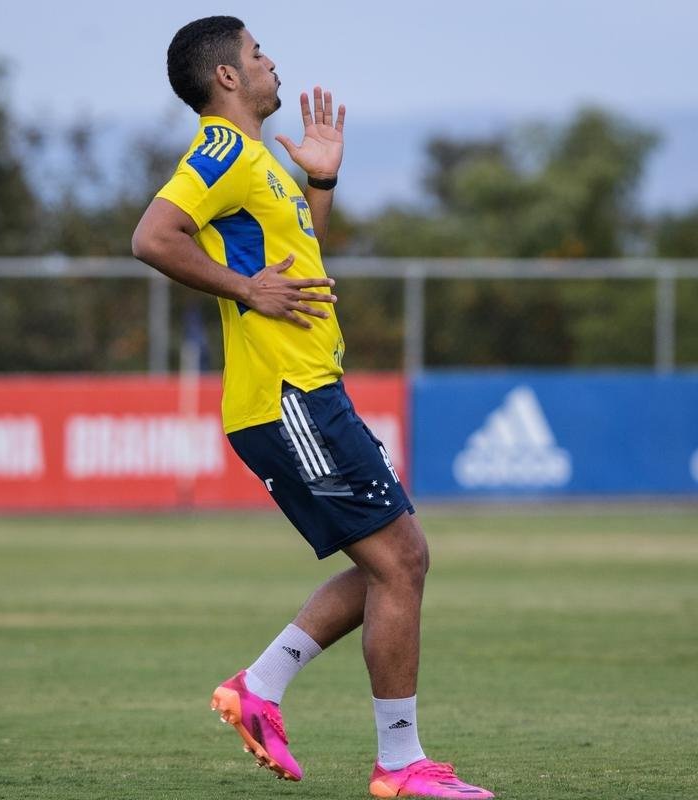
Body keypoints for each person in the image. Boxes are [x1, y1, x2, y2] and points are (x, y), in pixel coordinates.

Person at [132, 16, 494, 799]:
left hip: (308, 390)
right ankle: (400, 766)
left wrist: (320, 184)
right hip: (287, 397)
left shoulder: (261, 164)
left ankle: (259, 688)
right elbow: (153, 236)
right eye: (257, 53)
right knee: (401, 561)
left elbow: (299, 272)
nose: (270, 62)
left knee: (394, 563)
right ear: (226, 77)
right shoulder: (222, 151)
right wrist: (241, 286)